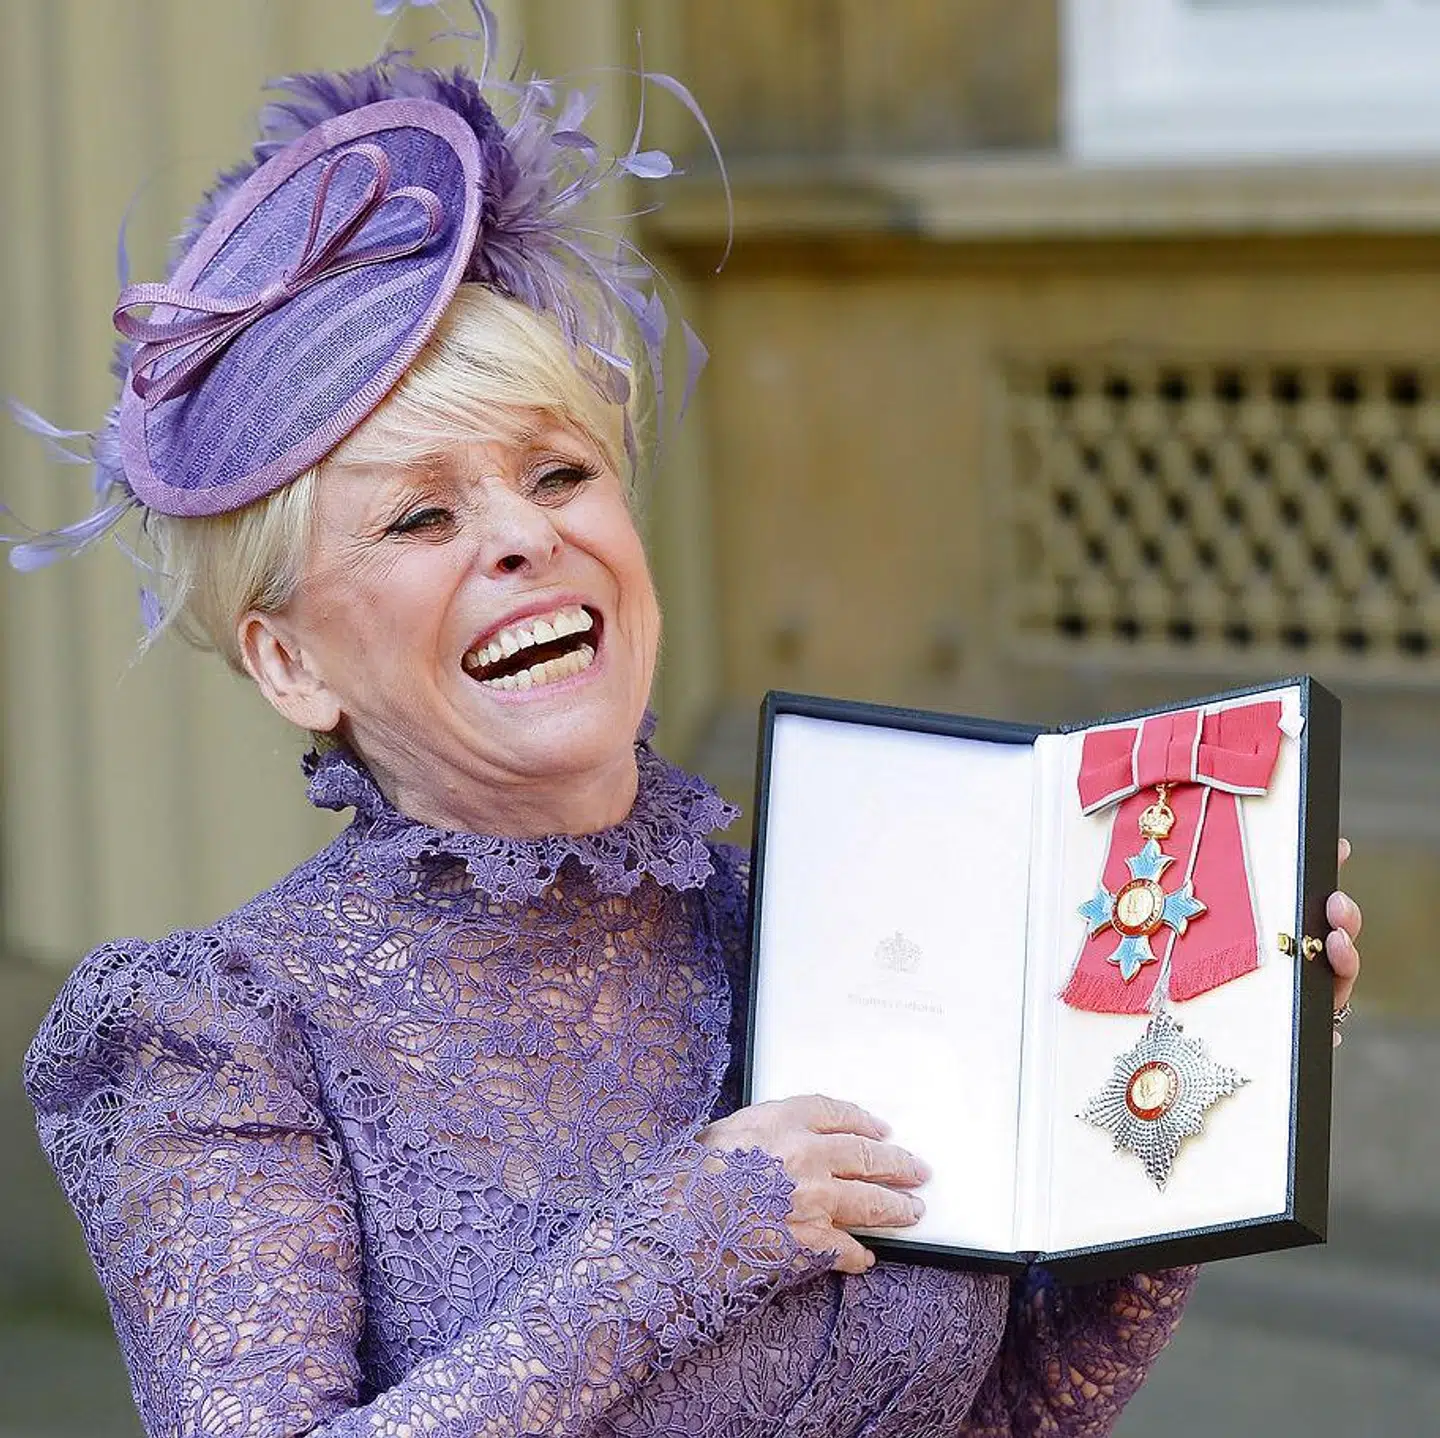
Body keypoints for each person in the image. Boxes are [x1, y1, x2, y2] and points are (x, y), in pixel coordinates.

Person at [11, 10, 1363, 1437]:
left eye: (561, 472)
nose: (525, 536)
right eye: (422, 514)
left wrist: (1197, 1126)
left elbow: (1007, 1406)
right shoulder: (220, 1033)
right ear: (289, 663)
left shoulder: (830, 925)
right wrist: (687, 1240)